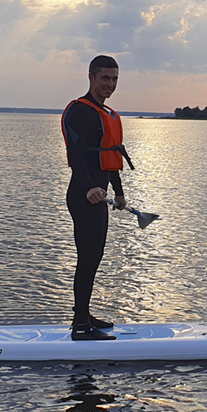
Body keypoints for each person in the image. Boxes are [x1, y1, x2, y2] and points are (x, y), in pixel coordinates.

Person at [61, 55, 134, 340]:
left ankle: (84, 314)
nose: (110, 84)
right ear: (91, 77)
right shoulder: (80, 111)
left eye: (115, 79)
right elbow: (77, 156)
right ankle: (80, 326)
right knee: (87, 257)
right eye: (105, 78)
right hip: (83, 195)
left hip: (100, 195)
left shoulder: (109, 114)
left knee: (95, 257)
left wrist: (119, 191)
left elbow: (111, 155)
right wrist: (90, 187)